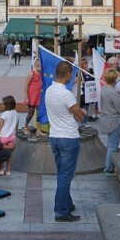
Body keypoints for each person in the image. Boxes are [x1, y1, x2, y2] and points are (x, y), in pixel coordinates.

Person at [47, 60, 86, 222]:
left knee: (62, 173)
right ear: (67, 74)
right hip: (68, 138)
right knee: (65, 175)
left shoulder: (49, 90)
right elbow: (79, 115)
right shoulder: (66, 94)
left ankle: (67, 203)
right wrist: (82, 112)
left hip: (54, 136)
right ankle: (61, 211)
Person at [98, 67, 120, 177]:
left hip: (105, 119)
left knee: (110, 144)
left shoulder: (104, 89)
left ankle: (108, 165)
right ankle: (109, 168)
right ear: (115, 79)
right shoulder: (113, 92)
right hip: (114, 121)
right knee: (113, 146)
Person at [0, 96, 19, 175]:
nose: (2, 106)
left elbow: (0, 126)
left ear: (7, 105)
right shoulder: (16, 113)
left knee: (1, 154)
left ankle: (1, 169)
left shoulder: (4, 114)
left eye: (3, 104)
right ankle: (8, 170)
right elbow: (16, 126)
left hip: (3, 137)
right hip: (12, 137)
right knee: (10, 154)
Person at [23, 58, 42, 136]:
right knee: (31, 113)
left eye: (40, 66)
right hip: (32, 97)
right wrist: (26, 97)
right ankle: (25, 127)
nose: (39, 67)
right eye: (38, 66)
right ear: (35, 65)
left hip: (39, 96)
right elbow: (26, 85)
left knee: (39, 113)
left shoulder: (41, 73)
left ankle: (38, 130)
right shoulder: (31, 73)